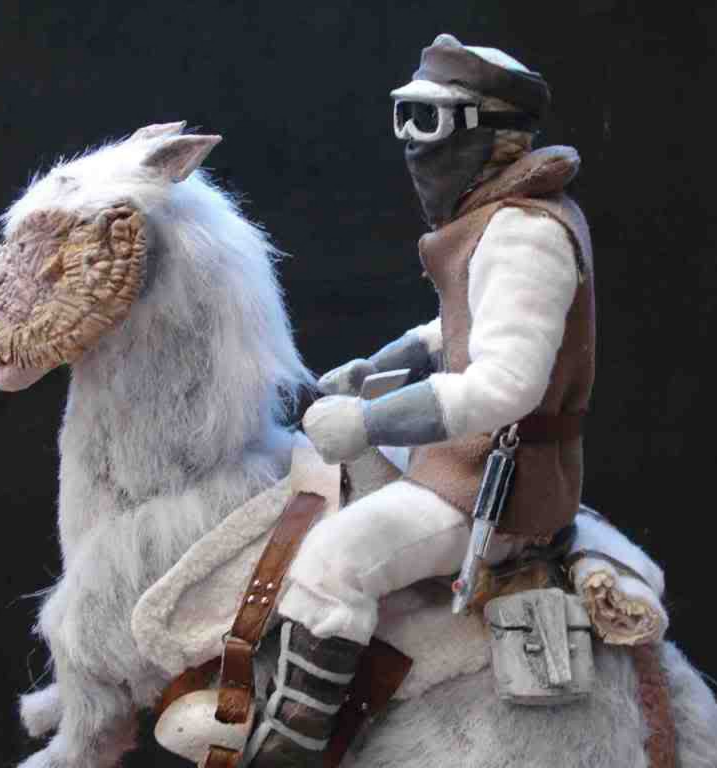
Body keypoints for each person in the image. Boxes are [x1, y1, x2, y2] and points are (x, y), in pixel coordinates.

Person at [247, 33, 596, 767]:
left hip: (499, 489)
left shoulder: (525, 235)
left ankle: (293, 747)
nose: (411, 142)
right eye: (404, 116)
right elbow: (464, 326)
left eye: (427, 121)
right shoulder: (500, 223)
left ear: (490, 135)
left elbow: (506, 385)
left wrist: (367, 420)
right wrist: (383, 364)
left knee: (333, 560)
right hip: (466, 459)